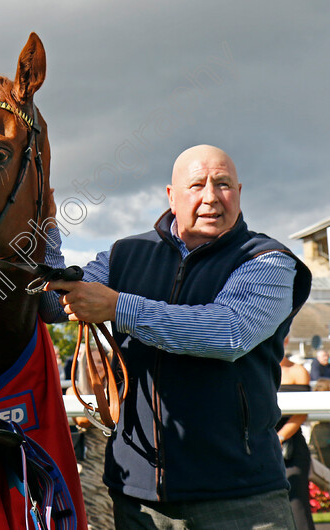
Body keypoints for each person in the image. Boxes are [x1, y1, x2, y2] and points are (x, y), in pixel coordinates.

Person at [43, 145, 312, 528]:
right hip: (138, 498)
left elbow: (228, 332)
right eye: (197, 184)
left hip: (241, 497)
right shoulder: (125, 254)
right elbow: (53, 306)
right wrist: (45, 231)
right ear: (171, 196)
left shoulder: (268, 259)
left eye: (222, 184)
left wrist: (119, 307)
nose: (210, 197)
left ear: (239, 190)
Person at [278, 352, 314, 529]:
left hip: (290, 447)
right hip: (260, 445)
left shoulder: (298, 371)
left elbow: (302, 412)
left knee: (297, 506)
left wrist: (280, 437)